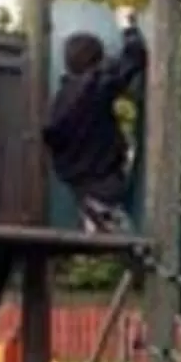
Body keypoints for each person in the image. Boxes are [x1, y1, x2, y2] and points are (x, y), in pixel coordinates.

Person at [44, 20, 148, 233]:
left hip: (75, 179)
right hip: (103, 176)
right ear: (97, 61)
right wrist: (129, 28)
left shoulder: (62, 95)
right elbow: (133, 61)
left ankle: (95, 209)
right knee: (127, 160)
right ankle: (103, 209)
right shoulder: (95, 88)